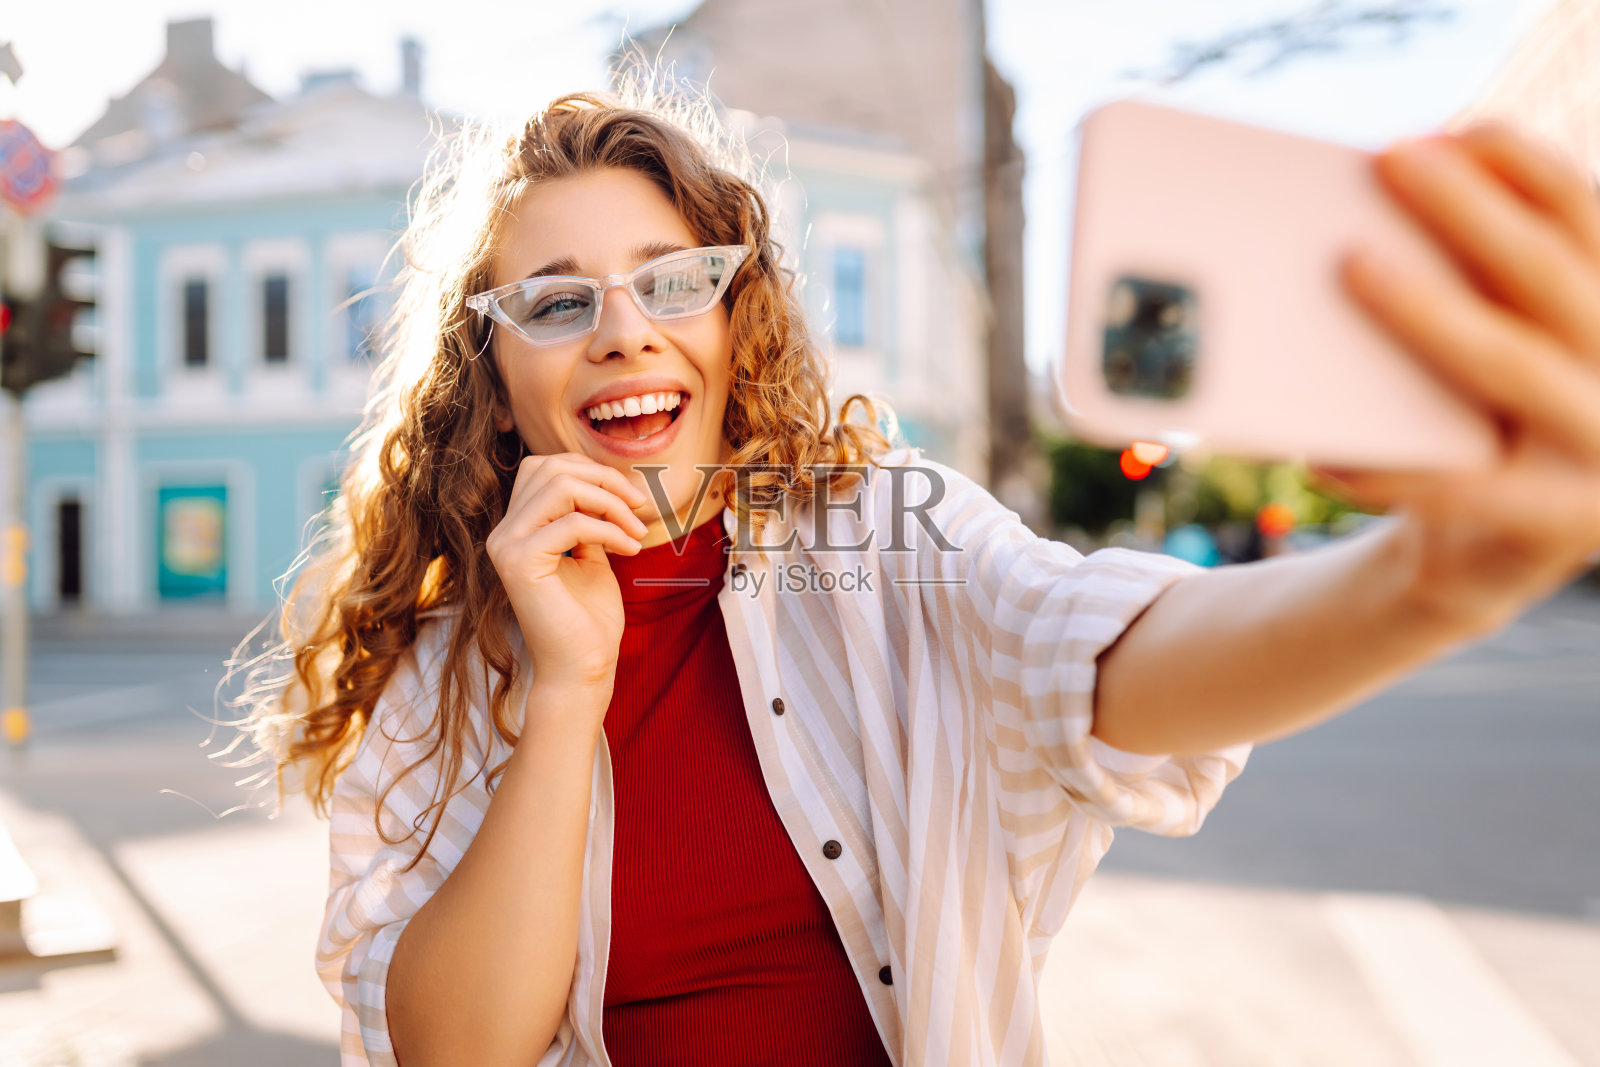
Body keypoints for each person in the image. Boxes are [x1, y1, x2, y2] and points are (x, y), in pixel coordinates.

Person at [235, 82, 1600, 1067]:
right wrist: (569, 686)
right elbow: (450, 1052)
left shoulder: (885, 537)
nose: (621, 333)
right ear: (493, 367)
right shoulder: (431, 685)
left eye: (672, 282)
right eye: (555, 299)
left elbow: (1109, 664)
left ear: (734, 318)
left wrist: (1430, 578)